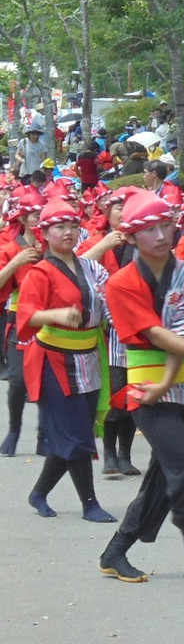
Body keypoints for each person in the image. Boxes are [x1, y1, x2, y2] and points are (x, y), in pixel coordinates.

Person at [98, 190, 184, 586]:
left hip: (183, 385)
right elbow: (157, 335)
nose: (160, 235)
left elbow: (183, 332)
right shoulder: (120, 283)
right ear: (130, 236)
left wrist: (182, 367)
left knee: (165, 475)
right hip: (144, 388)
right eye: (149, 229)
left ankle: (115, 550)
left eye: (165, 226)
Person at [19, 198, 116, 523]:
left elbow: (109, 296)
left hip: (88, 356)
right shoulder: (40, 272)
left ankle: (38, 493)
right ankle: (89, 503)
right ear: (44, 232)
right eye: (60, 227)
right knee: (76, 434)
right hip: (55, 361)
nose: (69, 232)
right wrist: (56, 313)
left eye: (73, 226)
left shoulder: (89, 266)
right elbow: (26, 316)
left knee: (76, 432)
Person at [78, 186, 141, 476]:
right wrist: (105, 244)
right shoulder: (96, 241)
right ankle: (109, 454)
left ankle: (126, 454)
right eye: (118, 208)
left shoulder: (145, 242)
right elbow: (76, 268)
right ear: (107, 212)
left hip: (139, 329)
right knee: (113, 393)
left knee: (134, 394)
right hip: (108, 333)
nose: (123, 214)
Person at [0, 187, 45, 456]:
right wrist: (15, 262)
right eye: (36, 214)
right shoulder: (9, 248)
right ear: (25, 218)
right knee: (17, 380)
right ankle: (14, 429)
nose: (40, 219)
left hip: (50, 319)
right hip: (19, 318)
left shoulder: (51, 246)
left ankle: (45, 434)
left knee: (47, 381)